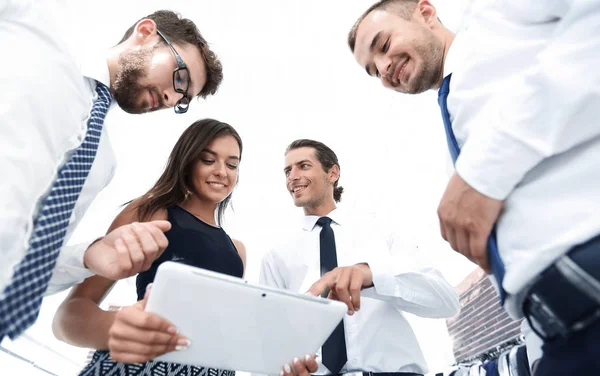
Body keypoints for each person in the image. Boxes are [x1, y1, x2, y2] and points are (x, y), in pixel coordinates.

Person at [347, 0, 600, 374]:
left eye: (383, 45)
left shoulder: (494, 17)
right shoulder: (454, 123)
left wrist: (482, 174)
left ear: (426, 12)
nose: (384, 69)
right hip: (557, 331)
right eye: (373, 71)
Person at [0, 2, 223, 340]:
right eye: (180, 78)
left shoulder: (101, 163)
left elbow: (26, 263)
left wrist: (88, 256)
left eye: (181, 98)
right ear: (146, 33)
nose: (169, 97)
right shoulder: (30, 32)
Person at [52, 118, 246, 375]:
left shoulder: (238, 251)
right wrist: (118, 328)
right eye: (208, 160)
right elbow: (68, 317)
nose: (222, 171)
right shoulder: (149, 213)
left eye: (232, 164)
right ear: (186, 161)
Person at [260, 139, 459, 376]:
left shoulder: (381, 231)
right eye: (287, 170)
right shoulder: (276, 256)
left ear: (332, 173)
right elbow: (268, 343)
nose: (292, 176)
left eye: (303, 166)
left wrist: (372, 277)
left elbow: (446, 301)